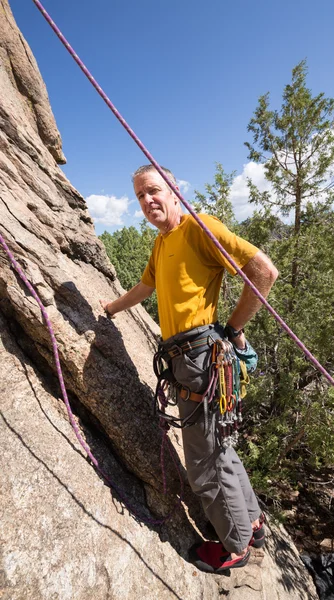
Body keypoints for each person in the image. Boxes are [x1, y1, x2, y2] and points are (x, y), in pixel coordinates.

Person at [100, 164, 278, 573]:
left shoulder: (199, 227)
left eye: (154, 191)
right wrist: (109, 308)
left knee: (204, 462)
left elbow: (263, 272)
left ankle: (235, 547)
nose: (147, 201)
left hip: (199, 357)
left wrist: (231, 328)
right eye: (141, 196)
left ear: (174, 192)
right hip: (190, 358)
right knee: (219, 449)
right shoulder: (163, 243)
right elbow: (146, 287)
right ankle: (251, 522)